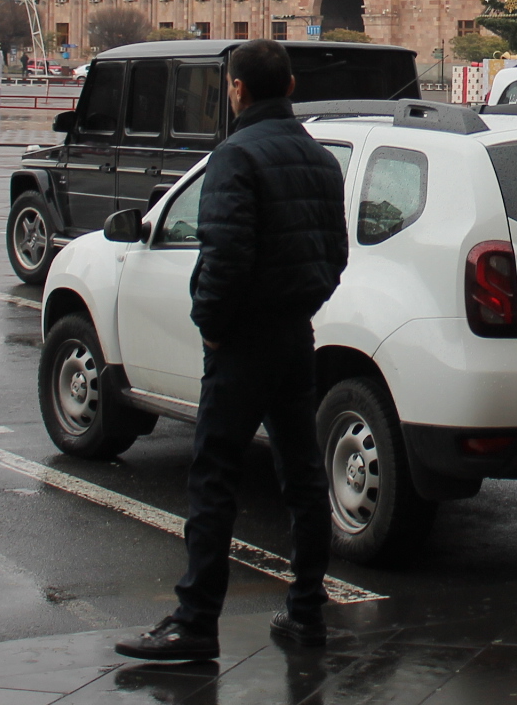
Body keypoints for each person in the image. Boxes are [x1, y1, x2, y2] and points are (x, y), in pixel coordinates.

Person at [117, 39, 348, 660]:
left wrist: (213, 325)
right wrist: (300, 305)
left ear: (238, 89)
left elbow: (224, 256)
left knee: (215, 476)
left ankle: (196, 623)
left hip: (242, 341)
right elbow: (335, 255)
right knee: (302, 477)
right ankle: (306, 613)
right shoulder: (322, 161)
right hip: (295, 335)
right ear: (291, 87)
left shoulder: (234, 156)